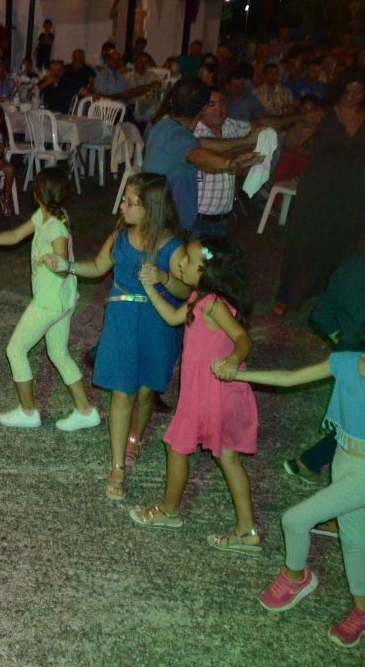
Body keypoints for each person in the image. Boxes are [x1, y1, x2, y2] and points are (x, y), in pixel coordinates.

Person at [41, 173, 189, 501]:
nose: (122, 206)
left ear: (151, 208)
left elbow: (186, 289)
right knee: (122, 393)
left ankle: (136, 436)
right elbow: (97, 267)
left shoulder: (173, 247)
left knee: (146, 392)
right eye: (124, 200)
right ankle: (117, 467)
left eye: (130, 202)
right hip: (121, 321)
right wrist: (65, 265)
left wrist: (164, 277)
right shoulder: (121, 235)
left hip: (157, 324)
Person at [128, 238, 261, 556]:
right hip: (221, 394)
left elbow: (243, 338)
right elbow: (172, 317)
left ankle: (169, 510)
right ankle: (247, 530)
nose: (182, 263)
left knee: (176, 446)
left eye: (189, 260)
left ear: (209, 271)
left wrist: (233, 359)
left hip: (207, 394)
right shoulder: (199, 298)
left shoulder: (212, 304)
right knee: (228, 458)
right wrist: (151, 286)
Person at [233, 350, 365, 646]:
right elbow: (289, 378)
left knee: (295, 519)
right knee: (355, 541)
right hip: (343, 459)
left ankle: (296, 577)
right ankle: (362, 610)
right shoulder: (346, 361)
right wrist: (238, 375)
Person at [0, 168, 97, 431]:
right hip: (63, 298)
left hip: (50, 301)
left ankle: (28, 412)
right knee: (58, 352)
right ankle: (85, 411)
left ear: (38, 193)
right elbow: (15, 236)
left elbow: (62, 264)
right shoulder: (46, 216)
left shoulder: (56, 227)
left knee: (15, 349)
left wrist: (56, 261)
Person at [275, 67, 365, 314]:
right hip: (319, 185)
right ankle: (287, 293)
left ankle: (326, 291)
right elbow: (292, 143)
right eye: (347, 92)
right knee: (304, 237)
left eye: (357, 93)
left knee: (342, 240)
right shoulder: (324, 114)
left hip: (355, 188)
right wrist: (302, 122)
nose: (351, 97)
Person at [142, 79, 262, 233]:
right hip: (170, 228)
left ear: (171, 101)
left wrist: (246, 141)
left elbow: (203, 144)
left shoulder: (163, 127)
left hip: (162, 220)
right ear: (204, 108)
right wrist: (229, 164)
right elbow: (198, 155)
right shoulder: (177, 135)